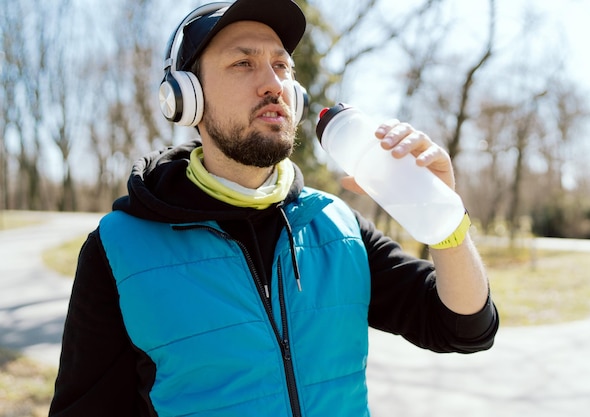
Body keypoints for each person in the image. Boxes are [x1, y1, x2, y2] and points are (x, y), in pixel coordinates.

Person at [49, 0, 498, 416]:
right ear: (186, 98)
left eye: (282, 65)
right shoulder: (119, 249)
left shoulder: (337, 226)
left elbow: (466, 327)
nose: (273, 84)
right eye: (243, 63)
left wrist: (444, 219)